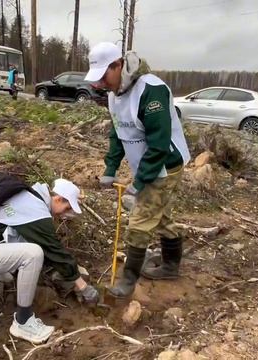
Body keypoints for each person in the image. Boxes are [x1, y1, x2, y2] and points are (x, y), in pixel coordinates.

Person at [84, 42, 191, 298]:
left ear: (118, 65)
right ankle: (171, 265)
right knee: (159, 214)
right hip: (147, 164)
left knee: (140, 220)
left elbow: (159, 143)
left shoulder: (151, 90)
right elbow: (118, 131)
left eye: (102, 76)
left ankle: (128, 282)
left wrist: (139, 182)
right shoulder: (114, 94)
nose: (98, 84)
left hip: (165, 164)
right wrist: (111, 167)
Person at [0, 178, 99, 344]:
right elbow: (54, 251)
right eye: (67, 207)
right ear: (58, 199)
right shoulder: (36, 211)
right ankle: (23, 321)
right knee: (33, 254)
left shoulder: (26, 197)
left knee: (28, 252)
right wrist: (83, 286)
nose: (65, 214)